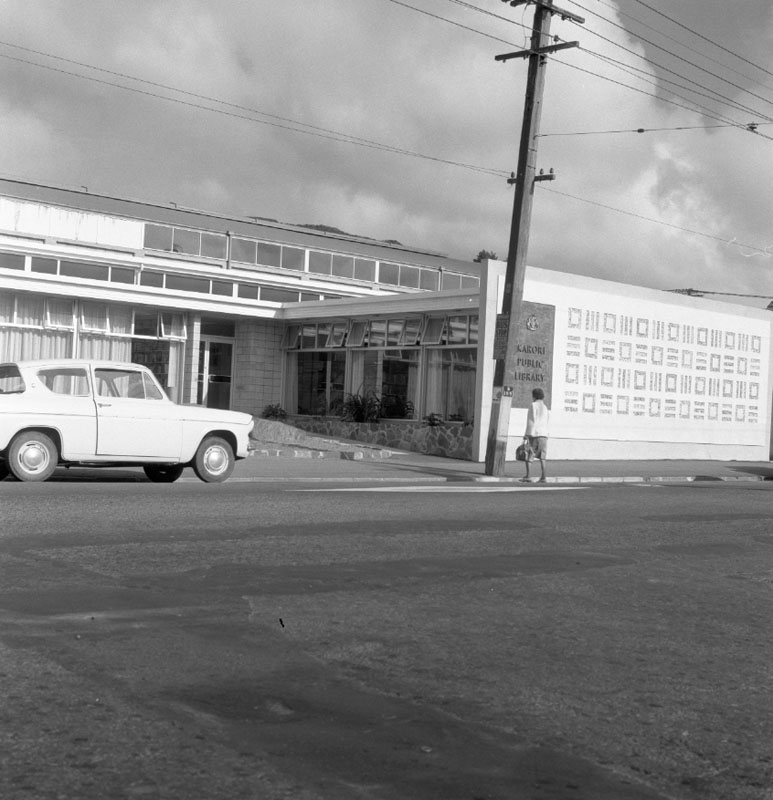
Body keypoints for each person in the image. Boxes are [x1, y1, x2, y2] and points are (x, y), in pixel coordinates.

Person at [521, 387, 549, 483]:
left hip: (534, 434)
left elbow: (531, 420)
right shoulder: (545, 407)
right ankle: (543, 477)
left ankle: (528, 476)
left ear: (534, 396)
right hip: (544, 434)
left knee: (530, 455)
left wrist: (526, 434)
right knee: (543, 456)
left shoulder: (533, 405)